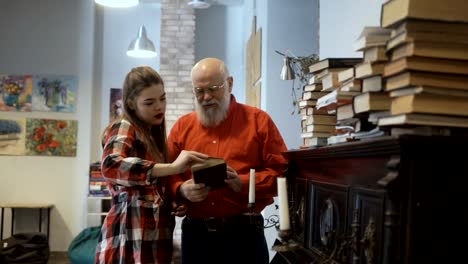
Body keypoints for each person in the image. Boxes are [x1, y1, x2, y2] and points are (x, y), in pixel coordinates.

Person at [167, 58, 288, 264]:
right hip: (197, 236)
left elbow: (282, 173)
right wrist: (181, 190)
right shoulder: (182, 127)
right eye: (199, 91)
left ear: (230, 83)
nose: (206, 97)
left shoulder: (259, 122)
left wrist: (243, 183)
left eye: (213, 88)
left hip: (244, 235)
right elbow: (167, 175)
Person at [95, 66, 208, 264]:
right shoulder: (124, 126)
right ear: (131, 104)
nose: (159, 107)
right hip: (129, 239)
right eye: (149, 102)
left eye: (163, 99)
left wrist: (172, 202)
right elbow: (111, 165)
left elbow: (150, 189)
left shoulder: (152, 136)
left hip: (154, 240)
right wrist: (174, 167)